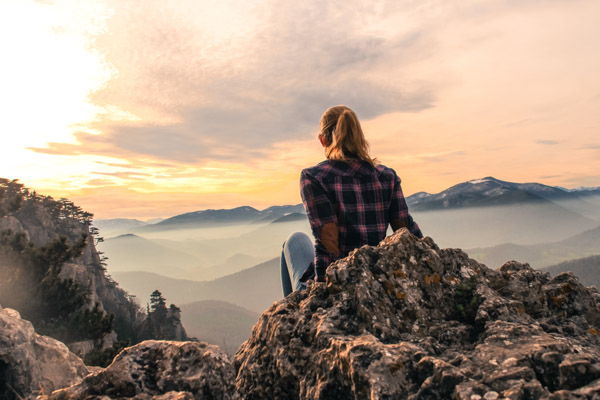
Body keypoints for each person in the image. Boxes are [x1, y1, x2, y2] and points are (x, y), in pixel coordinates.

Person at [280, 105, 423, 297]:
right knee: (296, 240)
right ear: (359, 136)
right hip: (374, 277)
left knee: (293, 242)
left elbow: (329, 239)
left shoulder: (314, 177)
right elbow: (405, 229)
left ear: (323, 140)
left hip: (335, 285)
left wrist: (324, 290)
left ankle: (294, 310)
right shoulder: (386, 176)